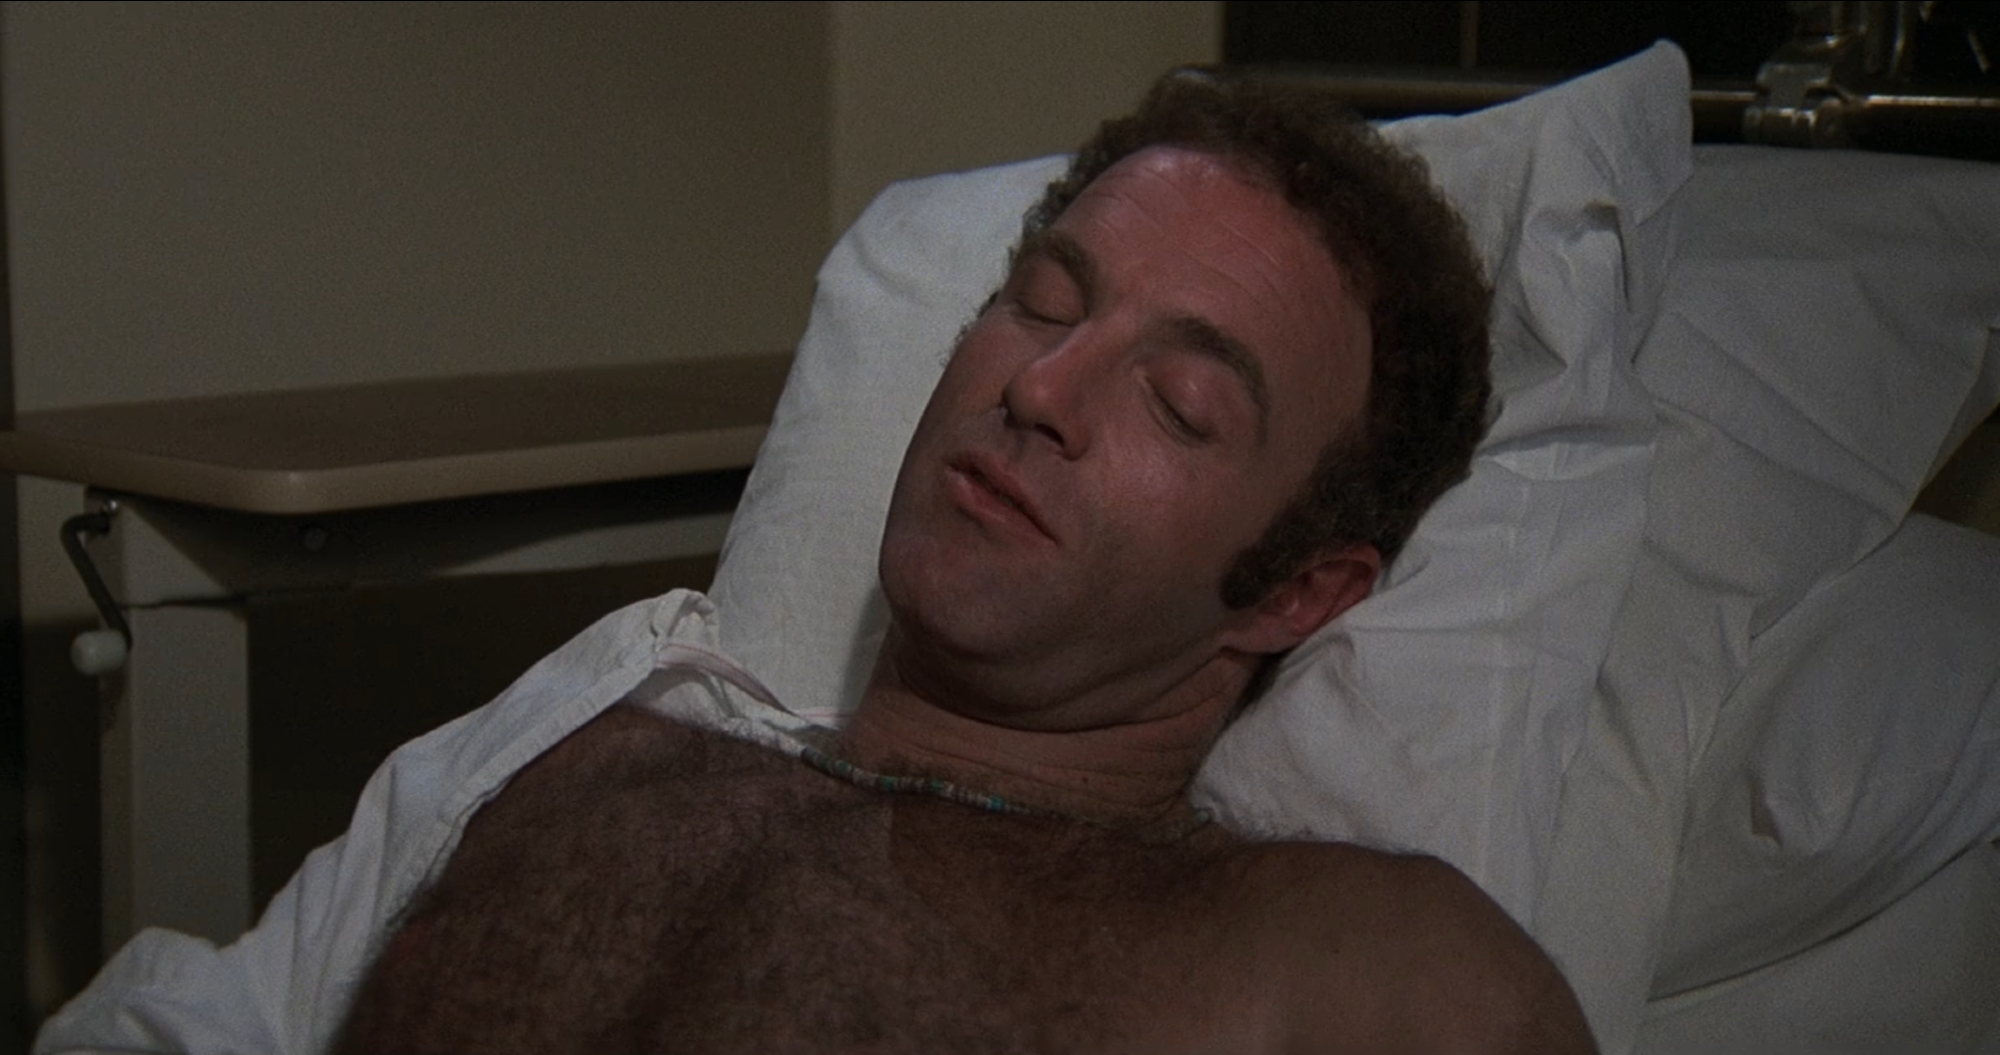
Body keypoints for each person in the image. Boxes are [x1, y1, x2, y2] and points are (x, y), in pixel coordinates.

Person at [39, 74, 1595, 1054]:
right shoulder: (581, 745)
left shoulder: (1347, 966)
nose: (1042, 389)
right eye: (1046, 305)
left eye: (1180, 402)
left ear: (1301, 590)